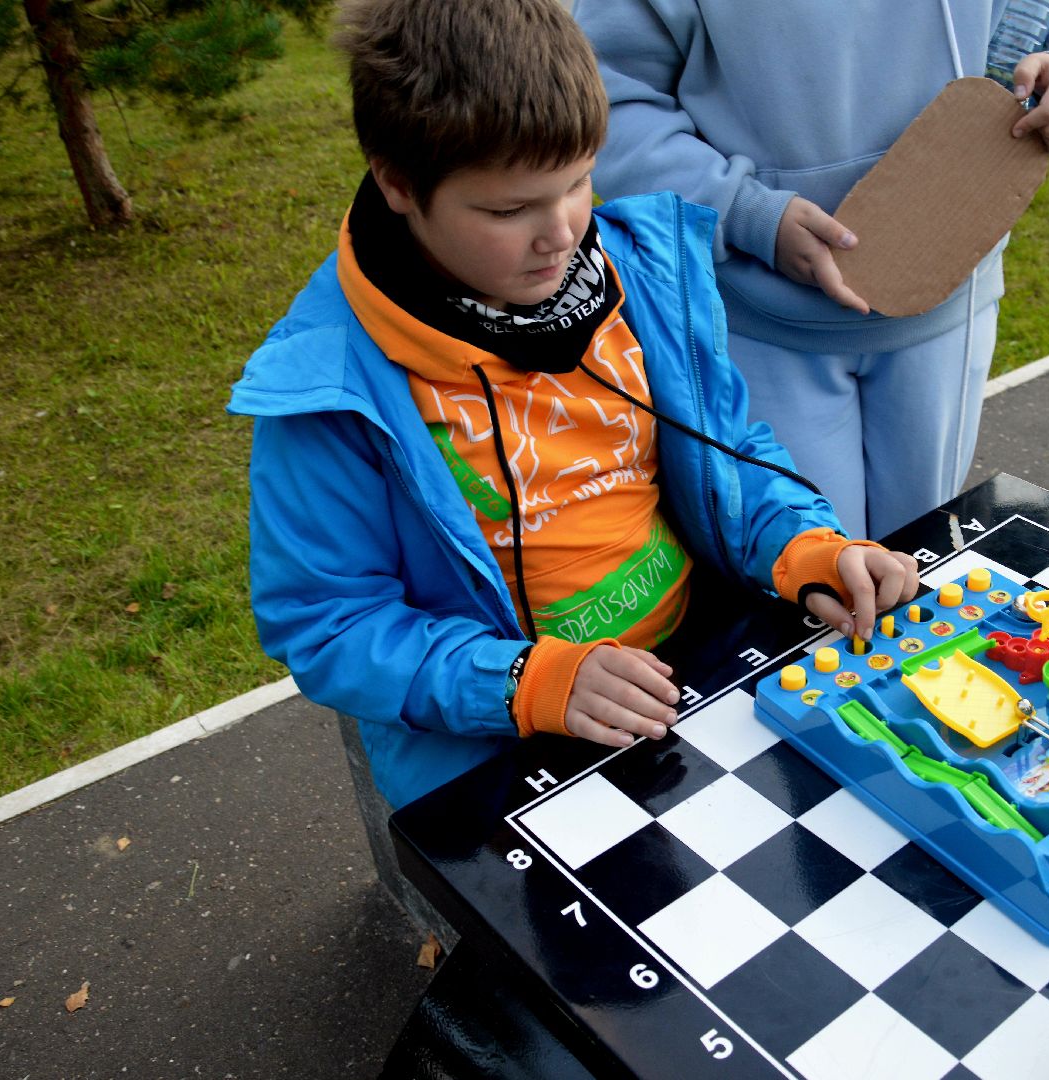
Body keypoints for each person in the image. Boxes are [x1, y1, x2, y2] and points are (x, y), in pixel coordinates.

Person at [226, 0, 923, 811]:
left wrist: (801, 544)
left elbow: (730, 454)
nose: (560, 234)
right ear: (398, 183)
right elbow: (329, 622)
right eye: (508, 209)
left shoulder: (639, 272)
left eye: (579, 182)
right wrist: (526, 682)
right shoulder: (332, 389)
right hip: (503, 753)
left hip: (690, 679)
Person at [574, 1, 1049, 539]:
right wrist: (742, 210)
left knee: (921, 568)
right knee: (810, 589)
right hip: (760, 327)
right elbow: (610, 95)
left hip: (946, 311)